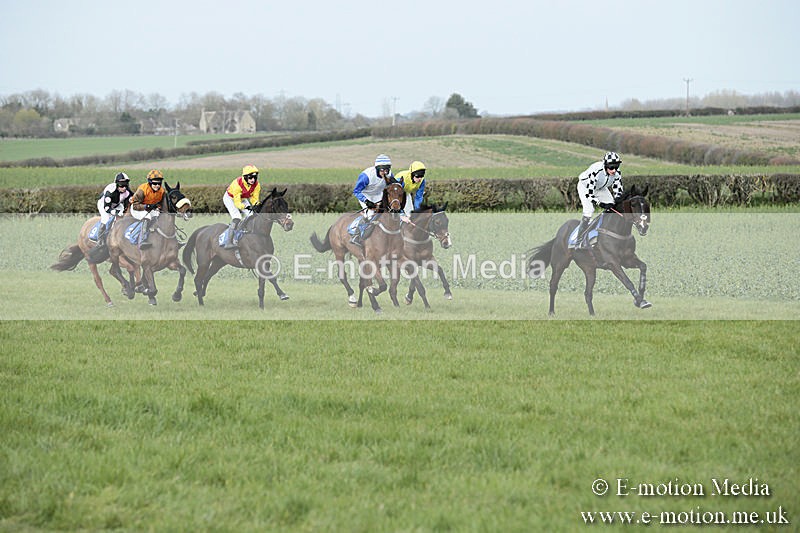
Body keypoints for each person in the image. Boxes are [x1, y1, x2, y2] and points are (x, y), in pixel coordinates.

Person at [575, 151, 624, 247]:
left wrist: (617, 204)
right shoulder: (596, 170)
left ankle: (606, 233)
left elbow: (618, 192)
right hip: (586, 187)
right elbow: (589, 194)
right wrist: (600, 203)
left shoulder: (617, 174)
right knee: (589, 211)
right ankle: (579, 241)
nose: (614, 170)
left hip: (601, 188)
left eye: (616, 166)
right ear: (605, 165)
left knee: (612, 207)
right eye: (611, 167)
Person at [350, 154, 394, 246]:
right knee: (371, 216)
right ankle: (357, 235)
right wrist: (366, 202)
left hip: (379, 194)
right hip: (366, 195)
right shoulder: (366, 176)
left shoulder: (390, 174)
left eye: (387, 170)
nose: (385, 172)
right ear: (377, 169)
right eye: (382, 170)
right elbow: (356, 191)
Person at [222, 164, 262, 249]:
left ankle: (246, 234)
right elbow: (237, 203)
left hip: (242, 198)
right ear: (245, 177)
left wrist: (257, 205)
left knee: (251, 216)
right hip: (230, 198)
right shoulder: (237, 184)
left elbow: (254, 198)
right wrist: (246, 207)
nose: (253, 180)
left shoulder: (257, 185)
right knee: (237, 217)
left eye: (255, 177)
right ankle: (228, 242)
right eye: (250, 178)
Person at [130, 170, 168, 248]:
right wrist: (146, 206)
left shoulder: (162, 191)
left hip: (151, 208)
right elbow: (135, 205)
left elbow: (162, 204)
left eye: (159, 183)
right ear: (150, 182)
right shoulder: (142, 190)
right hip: (138, 209)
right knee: (147, 217)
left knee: (161, 217)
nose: (157, 185)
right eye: (154, 183)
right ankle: (142, 241)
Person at [95, 172, 132, 246]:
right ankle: (100, 240)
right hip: (104, 205)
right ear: (117, 184)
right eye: (122, 186)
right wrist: (116, 212)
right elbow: (107, 208)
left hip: (116, 204)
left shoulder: (127, 191)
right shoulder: (110, 191)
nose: (124, 188)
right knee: (106, 219)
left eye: (125, 185)